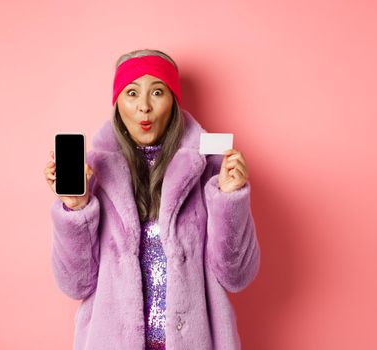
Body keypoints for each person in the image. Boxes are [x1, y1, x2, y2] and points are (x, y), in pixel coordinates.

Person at [43, 49, 261, 350]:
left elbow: (237, 276)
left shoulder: (209, 169)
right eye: (131, 93)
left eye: (157, 92)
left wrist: (230, 198)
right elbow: (75, 284)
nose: (144, 107)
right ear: (117, 104)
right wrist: (76, 208)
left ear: (173, 102)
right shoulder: (92, 175)